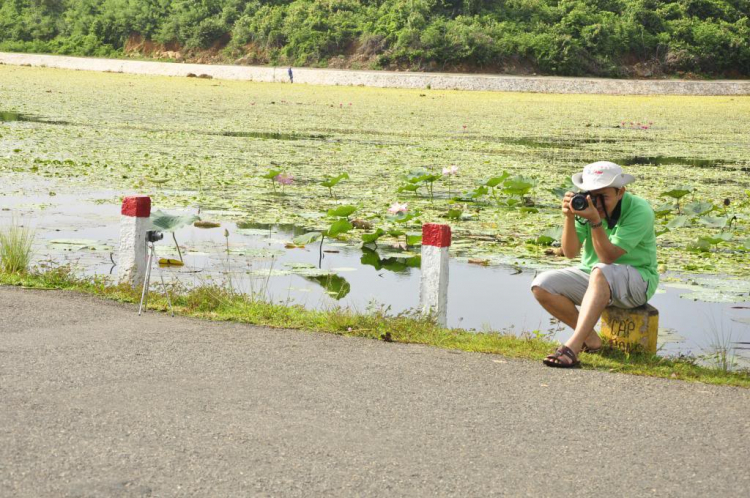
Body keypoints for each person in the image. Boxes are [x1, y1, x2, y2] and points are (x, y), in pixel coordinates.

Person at [530, 161, 658, 368]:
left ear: (620, 192)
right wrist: (569, 218)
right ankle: (591, 339)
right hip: (594, 278)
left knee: (601, 270)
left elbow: (608, 258)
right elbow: (570, 253)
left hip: (637, 282)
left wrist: (595, 221)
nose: (596, 202)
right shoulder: (587, 207)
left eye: (603, 196)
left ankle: (572, 346)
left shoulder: (639, 210)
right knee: (542, 285)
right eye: (592, 195)